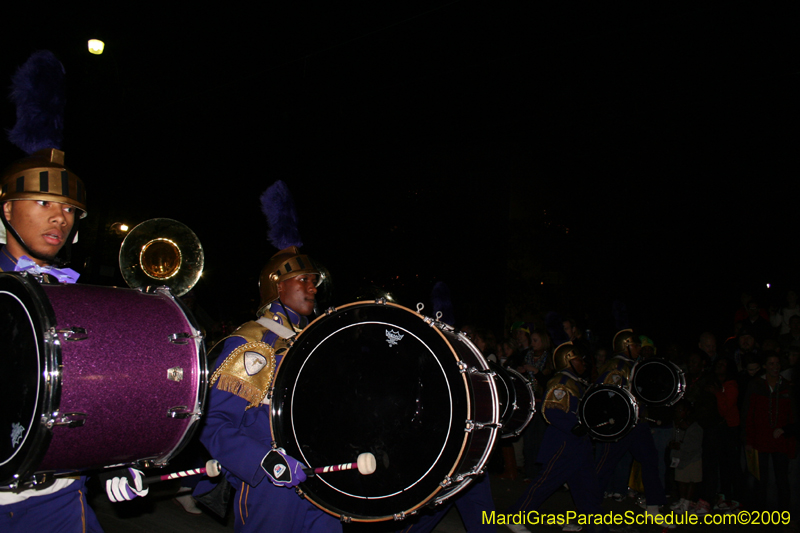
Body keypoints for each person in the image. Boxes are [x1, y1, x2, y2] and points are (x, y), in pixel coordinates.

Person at [197, 244, 340, 532]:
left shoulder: (318, 342)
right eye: (303, 279)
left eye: (314, 281)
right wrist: (261, 459)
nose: (313, 288)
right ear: (278, 285)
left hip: (321, 479)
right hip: (272, 483)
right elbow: (213, 421)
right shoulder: (255, 341)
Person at [0, 151, 98, 532]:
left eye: (70, 209)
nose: (60, 218)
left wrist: (116, 459)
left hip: (60, 497)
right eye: (44, 203)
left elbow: (95, 392)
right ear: (8, 210)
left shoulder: (80, 299)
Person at [505, 342, 606, 533]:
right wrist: (574, 427)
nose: (583, 362)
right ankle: (515, 515)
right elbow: (551, 411)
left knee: (587, 487)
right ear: (568, 360)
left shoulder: (576, 381)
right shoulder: (562, 382)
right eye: (578, 359)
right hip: (564, 443)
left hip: (579, 443)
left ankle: (595, 526)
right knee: (546, 482)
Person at [593, 329, 669, 521]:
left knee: (650, 459)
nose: (639, 349)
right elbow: (606, 393)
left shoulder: (635, 365)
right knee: (605, 464)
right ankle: (589, 504)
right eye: (636, 345)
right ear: (626, 345)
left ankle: (653, 505)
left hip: (638, 424)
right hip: (620, 424)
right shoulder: (617, 365)